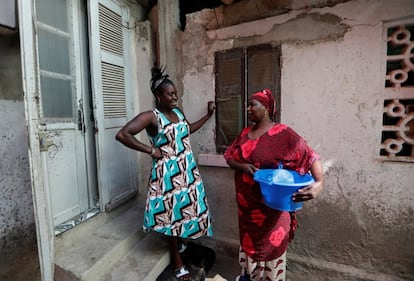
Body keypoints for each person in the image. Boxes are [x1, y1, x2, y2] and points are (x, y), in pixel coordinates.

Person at [116, 66, 215, 281]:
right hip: (168, 176)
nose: (174, 97)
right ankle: (177, 262)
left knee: (186, 211)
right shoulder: (151, 117)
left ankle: (179, 244)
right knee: (172, 215)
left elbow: (188, 129)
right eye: (169, 94)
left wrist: (208, 116)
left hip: (187, 172)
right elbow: (123, 134)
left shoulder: (178, 113)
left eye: (175, 93)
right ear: (158, 96)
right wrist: (151, 150)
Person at [224, 89, 324, 281]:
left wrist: (319, 183)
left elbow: (310, 156)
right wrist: (242, 166)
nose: (248, 109)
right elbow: (229, 157)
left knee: (270, 253)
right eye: (248, 105)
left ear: (267, 108)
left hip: (272, 213)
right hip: (247, 212)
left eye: (253, 104)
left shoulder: (283, 134)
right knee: (250, 251)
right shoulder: (244, 134)